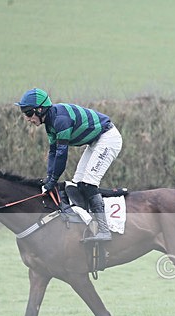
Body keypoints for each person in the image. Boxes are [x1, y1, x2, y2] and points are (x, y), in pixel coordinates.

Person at [15, 88, 122, 242]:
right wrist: (49, 178)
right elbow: (53, 153)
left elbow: (61, 154)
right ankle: (87, 224)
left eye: (28, 113)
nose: (26, 118)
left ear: (40, 110)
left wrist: (53, 181)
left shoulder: (60, 121)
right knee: (77, 184)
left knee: (89, 183)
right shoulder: (50, 124)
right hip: (96, 141)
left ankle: (104, 230)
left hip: (108, 138)